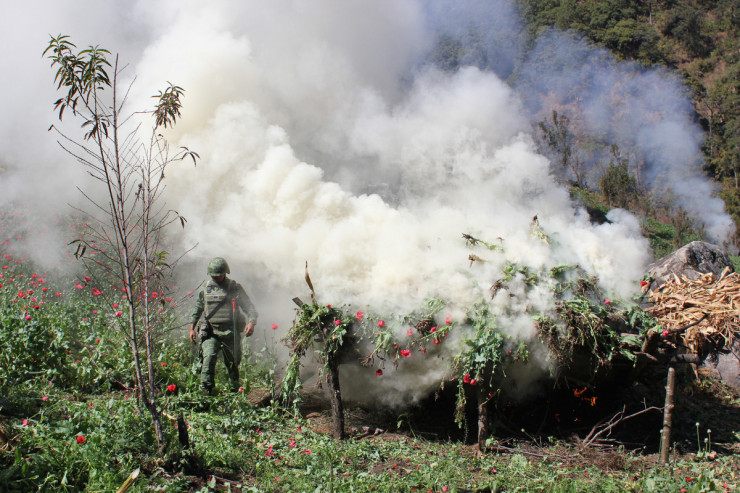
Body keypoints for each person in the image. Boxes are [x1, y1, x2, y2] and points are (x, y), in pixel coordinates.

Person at [189, 257, 258, 394]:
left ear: (225, 273)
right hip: (211, 333)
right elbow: (198, 308)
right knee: (208, 361)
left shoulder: (234, 288)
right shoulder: (206, 289)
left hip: (230, 332)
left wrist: (251, 322)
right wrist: (192, 328)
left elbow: (249, 307)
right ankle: (206, 394)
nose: (217, 277)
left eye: (220, 274)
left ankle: (234, 394)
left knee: (232, 365)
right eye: (214, 275)